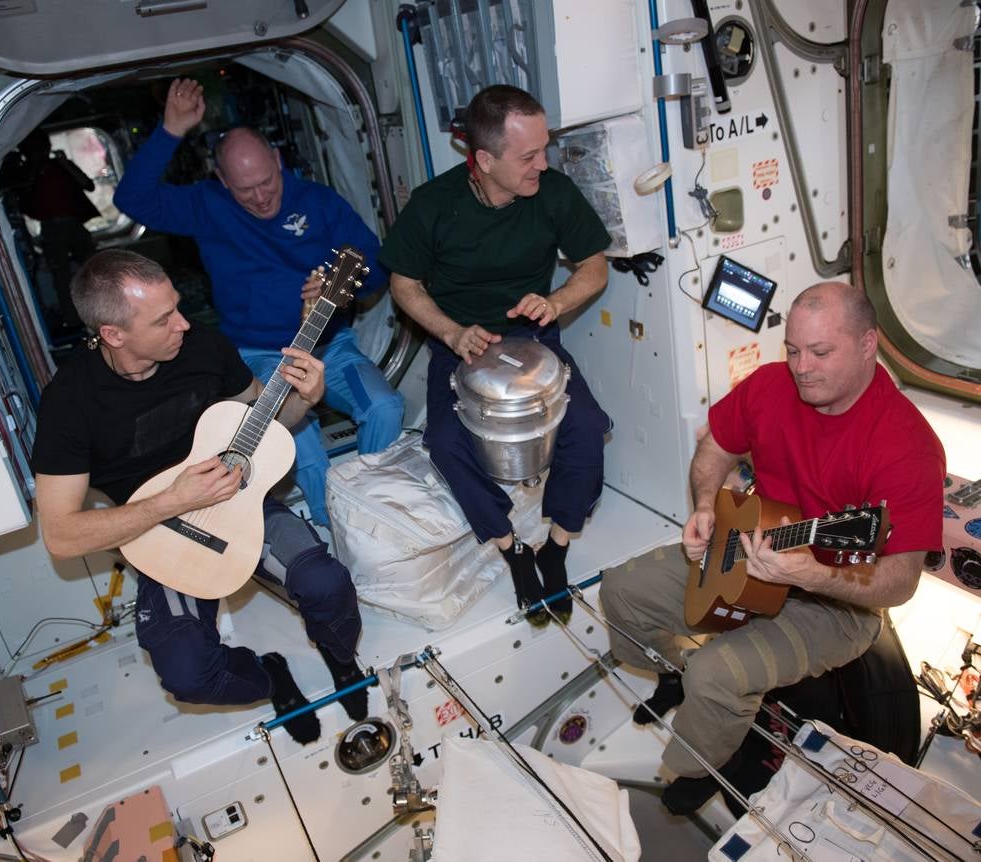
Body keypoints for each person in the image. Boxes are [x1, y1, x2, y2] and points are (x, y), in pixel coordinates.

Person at [599, 281, 946, 814]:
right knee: (622, 591)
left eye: (821, 352)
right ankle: (674, 673)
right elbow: (715, 447)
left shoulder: (908, 446)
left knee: (716, 673)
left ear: (869, 344)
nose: (801, 366)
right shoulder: (770, 386)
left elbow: (900, 582)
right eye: (793, 350)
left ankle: (700, 765)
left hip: (837, 600)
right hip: (748, 545)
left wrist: (811, 575)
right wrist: (707, 506)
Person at [31, 249, 369, 745]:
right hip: (159, 531)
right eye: (164, 319)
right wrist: (171, 501)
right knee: (188, 674)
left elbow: (268, 423)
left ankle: (341, 659)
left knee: (327, 583)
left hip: (240, 501)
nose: (184, 324)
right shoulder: (69, 402)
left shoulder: (204, 348)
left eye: (178, 307)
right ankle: (271, 675)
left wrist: (305, 397)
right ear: (113, 334)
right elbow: (60, 535)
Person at [113, 78, 404, 526]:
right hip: (257, 356)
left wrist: (336, 287)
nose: (262, 195)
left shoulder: (319, 203)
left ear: (277, 160)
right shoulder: (208, 206)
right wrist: (170, 131)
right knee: (298, 446)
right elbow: (130, 199)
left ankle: (366, 507)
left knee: (386, 408)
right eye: (245, 189)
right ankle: (334, 528)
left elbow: (376, 270)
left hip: (330, 348)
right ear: (223, 181)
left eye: (267, 180)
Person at [379, 85, 611, 626]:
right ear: (483, 160)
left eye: (544, 149)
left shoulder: (551, 192)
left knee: (588, 427)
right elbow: (404, 285)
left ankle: (555, 547)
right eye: (529, 156)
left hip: (533, 344)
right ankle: (513, 550)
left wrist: (554, 302)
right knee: (443, 442)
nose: (543, 164)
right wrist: (452, 333)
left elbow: (594, 268)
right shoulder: (434, 205)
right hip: (463, 348)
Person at [18, 128, 100, 329]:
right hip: (51, 229)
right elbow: (23, 202)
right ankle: (73, 321)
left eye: (42, 147)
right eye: (35, 149)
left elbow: (88, 186)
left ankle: (105, 311)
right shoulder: (27, 173)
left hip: (73, 224)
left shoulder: (61, 166)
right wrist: (33, 169)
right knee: (62, 278)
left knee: (95, 269)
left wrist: (65, 164)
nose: (41, 151)